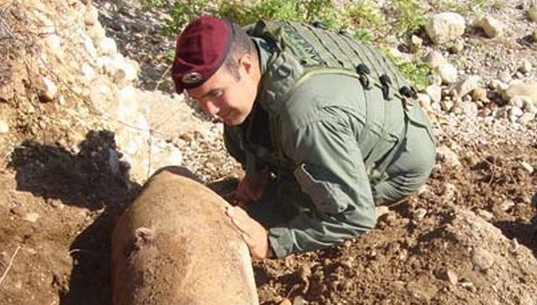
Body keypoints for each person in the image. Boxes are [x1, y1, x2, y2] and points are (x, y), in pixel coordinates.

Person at [169, 16, 437, 259]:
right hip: (350, 119)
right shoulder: (253, 47)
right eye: (199, 99)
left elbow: (356, 215)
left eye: (215, 93)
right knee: (238, 128)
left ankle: (340, 187)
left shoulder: (308, 118)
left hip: (397, 162)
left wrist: (271, 242)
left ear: (247, 66)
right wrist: (255, 172)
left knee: (274, 211)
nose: (209, 111)